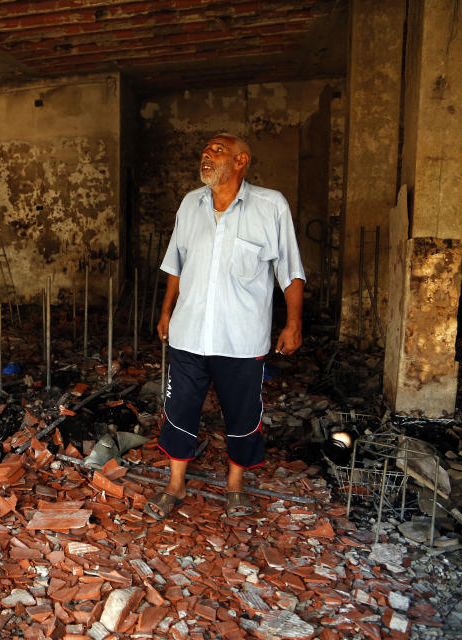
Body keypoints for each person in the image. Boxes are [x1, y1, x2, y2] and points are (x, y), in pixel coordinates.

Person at [147, 133, 306, 520]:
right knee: (179, 407)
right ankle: (175, 484)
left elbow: (290, 270)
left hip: (241, 338)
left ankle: (235, 485)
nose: (207, 155)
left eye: (218, 150)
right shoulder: (190, 204)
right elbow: (176, 264)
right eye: (205, 150)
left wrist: (294, 323)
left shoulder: (271, 206)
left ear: (241, 161)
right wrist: (167, 311)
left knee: (242, 412)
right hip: (189, 333)